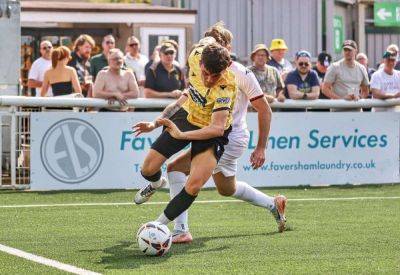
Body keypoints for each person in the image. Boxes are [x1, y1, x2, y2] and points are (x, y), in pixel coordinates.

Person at [135, 23, 287, 243]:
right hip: (207, 129)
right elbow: (190, 93)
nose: (214, 44)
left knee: (176, 169)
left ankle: (179, 230)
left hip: (229, 137)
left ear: (226, 47)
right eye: (211, 40)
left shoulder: (239, 75)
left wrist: (261, 147)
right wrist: (158, 121)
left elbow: (265, 110)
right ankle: (273, 203)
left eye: (219, 42)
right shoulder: (200, 59)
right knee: (227, 188)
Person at [133, 42, 237, 237]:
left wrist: (182, 136)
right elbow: (184, 96)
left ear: (226, 67)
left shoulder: (226, 86)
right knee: (148, 169)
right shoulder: (196, 54)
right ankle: (156, 184)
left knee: (194, 184)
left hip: (211, 131)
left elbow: (216, 128)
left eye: (215, 75)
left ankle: (156, 227)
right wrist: (155, 123)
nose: (208, 79)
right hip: (188, 116)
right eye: (205, 73)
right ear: (200, 61)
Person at [323, 40, 369, 111]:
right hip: (338, 112)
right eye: (345, 50)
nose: (347, 52)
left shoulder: (362, 68)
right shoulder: (335, 67)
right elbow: (325, 89)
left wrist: (360, 97)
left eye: (350, 50)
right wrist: (341, 100)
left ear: (356, 51)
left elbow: (365, 90)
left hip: (356, 111)